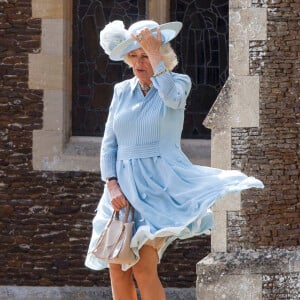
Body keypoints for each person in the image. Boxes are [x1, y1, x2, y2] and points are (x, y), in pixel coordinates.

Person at [85, 20, 264, 300]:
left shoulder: (178, 83)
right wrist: (112, 184)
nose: (139, 61)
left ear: (160, 54)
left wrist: (154, 52)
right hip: (120, 192)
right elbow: (110, 144)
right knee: (117, 268)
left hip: (158, 187)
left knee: (144, 268)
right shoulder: (121, 91)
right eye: (134, 55)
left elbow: (170, 97)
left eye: (145, 55)